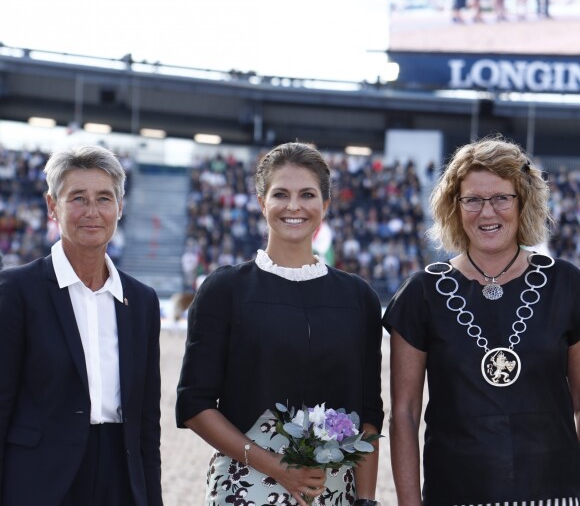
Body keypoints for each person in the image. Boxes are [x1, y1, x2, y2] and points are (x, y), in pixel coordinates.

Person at [176, 142, 384, 506]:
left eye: (307, 194)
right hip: (245, 487)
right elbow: (195, 404)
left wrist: (366, 500)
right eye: (280, 194)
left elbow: (369, 414)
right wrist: (277, 467)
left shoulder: (359, 298)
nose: (294, 206)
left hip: (334, 494)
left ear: (325, 205)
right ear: (261, 203)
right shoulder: (224, 289)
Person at [384, 135, 580, 505]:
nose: (487, 212)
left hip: (555, 494)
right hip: (455, 494)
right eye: (472, 200)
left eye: (501, 198)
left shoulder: (567, 285)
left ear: (523, 203)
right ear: (454, 207)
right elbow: (404, 415)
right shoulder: (422, 292)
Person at [0, 145, 163, 506]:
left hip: (121, 482)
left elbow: (147, 424)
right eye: (78, 198)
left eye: (104, 198)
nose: (92, 211)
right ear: (51, 206)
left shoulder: (142, 301)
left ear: (119, 207)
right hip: (38, 482)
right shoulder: (16, 291)